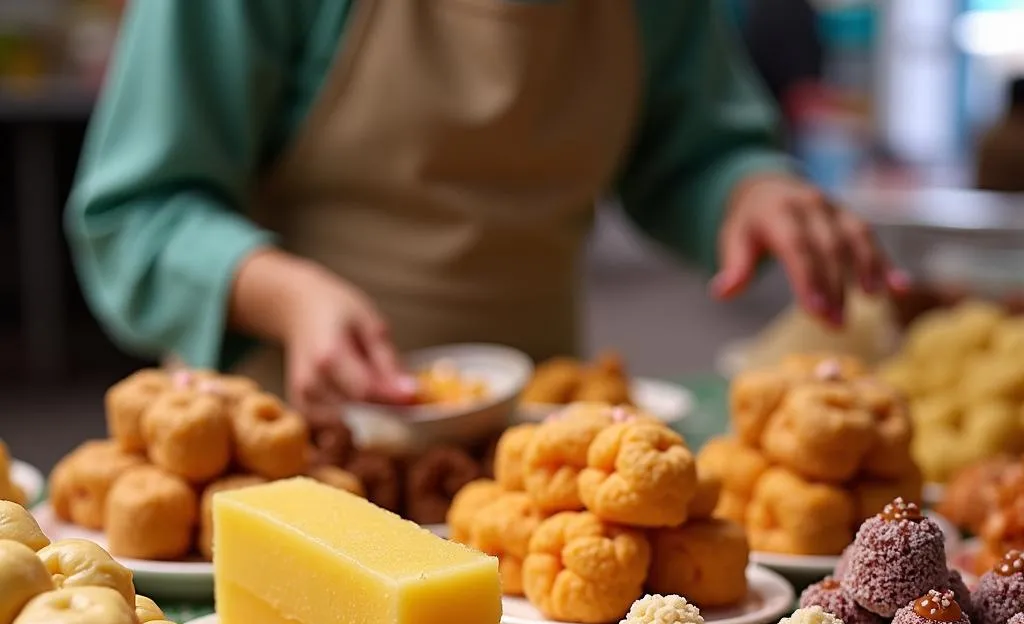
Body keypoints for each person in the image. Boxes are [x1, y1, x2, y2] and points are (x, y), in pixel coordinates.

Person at [66, 0, 900, 423]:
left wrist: (747, 187)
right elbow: (135, 209)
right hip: (287, 437)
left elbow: (688, 148)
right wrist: (284, 295)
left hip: (535, 436)